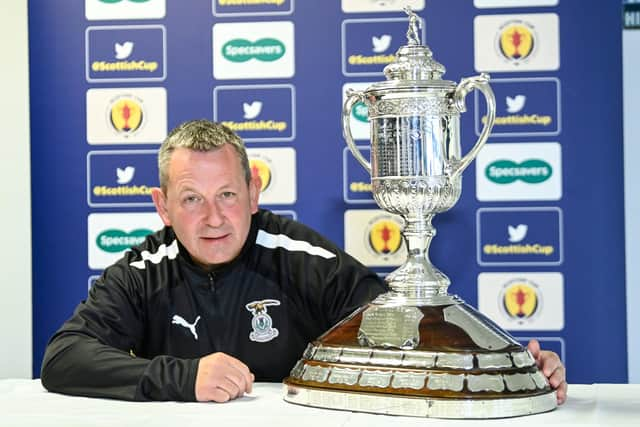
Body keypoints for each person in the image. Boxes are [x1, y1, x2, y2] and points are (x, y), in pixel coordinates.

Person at [41, 120, 567, 405]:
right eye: (190, 199)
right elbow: (63, 359)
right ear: (162, 206)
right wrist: (182, 377)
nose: (213, 218)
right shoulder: (142, 270)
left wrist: (513, 367)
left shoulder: (303, 259)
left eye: (226, 194)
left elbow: (407, 330)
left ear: (253, 191)